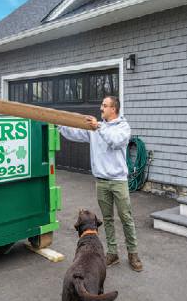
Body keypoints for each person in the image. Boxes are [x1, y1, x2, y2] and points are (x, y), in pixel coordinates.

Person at [58, 96, 143, 272]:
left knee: (126, 218)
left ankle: (133, 254)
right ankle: (112, 253)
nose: (101, 108)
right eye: (102, 105)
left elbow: (115, 141)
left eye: (104, 105)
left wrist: (98, 127)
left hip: (118, 181)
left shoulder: (123, 127)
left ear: (114, 109)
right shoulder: (95, 128)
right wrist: (60, 125)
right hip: (101, 181)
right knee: (108, 219)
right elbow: (76, 133)